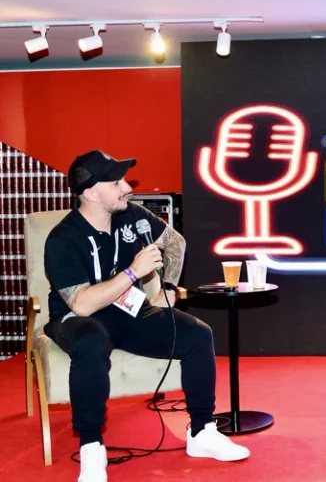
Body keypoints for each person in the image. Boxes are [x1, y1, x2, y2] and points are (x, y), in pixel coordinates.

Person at [43, 150, 250, 482]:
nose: (127, 188)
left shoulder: (131, 215)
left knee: (198, 334)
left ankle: (202, 431)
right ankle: (92, 447)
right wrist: (132, 271)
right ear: (91, 193)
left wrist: (168, 287)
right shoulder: (62, 239)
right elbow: (81, 304)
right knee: (91, 340)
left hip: (129, 310)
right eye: (117, 183)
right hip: (77, 319)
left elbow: (175, 242)